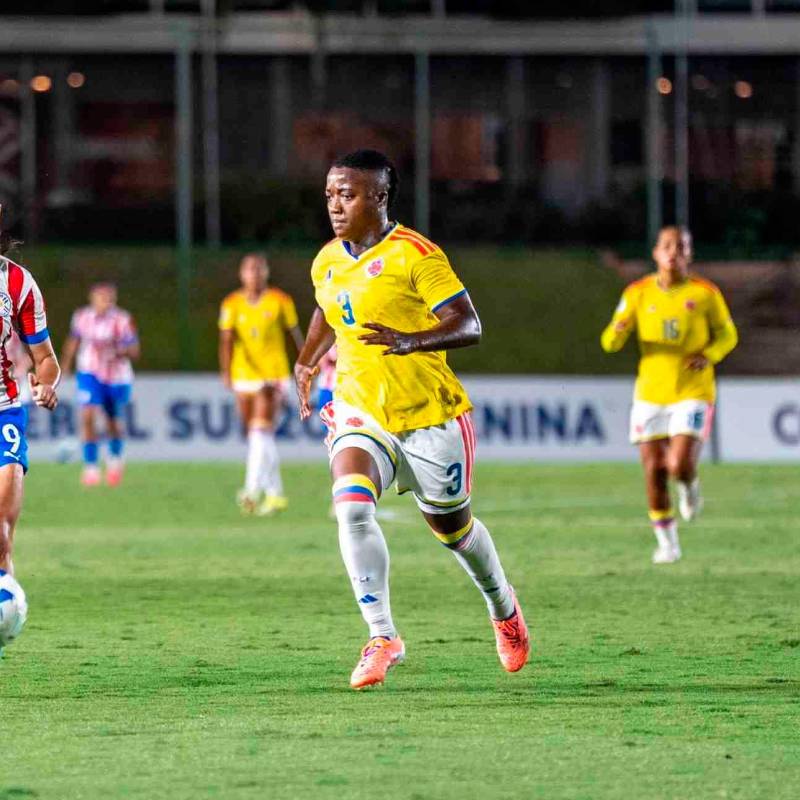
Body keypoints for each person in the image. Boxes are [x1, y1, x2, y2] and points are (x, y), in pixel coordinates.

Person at [294, 149, 529, 690]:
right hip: (359, 407)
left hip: (429, 415)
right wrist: (307, 360)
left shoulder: (416, 254)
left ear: (378, 196)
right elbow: (330, 309)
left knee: (453, 530)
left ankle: (503, 606)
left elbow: (468, 323)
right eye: (330, 194)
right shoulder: (327, 258)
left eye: (346, 195)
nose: (334, 205)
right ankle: (382, 636)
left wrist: (410, 341)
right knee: (350, 508)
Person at [601, 225, 738, 564]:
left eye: (681, 246)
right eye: (667, 246)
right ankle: (667, 543)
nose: (673, 252)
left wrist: (709, 355)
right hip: (650, 393)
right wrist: (618, 330)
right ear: (655, 253)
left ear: (689, 253)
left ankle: (689, 485)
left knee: (678, 464)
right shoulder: (637, 293)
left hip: (693, 389)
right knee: (653, 470)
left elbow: (728, 335)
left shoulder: (706, 294)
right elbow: (609, 342)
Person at [0, 214, 60, 652]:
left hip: (5, 411)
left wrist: (45, 382)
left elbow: (45, 356)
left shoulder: (18, 283)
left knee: (1, 531)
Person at [219, 253, 304, 516]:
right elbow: (226, 340)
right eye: (249, 270)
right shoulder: (231, 303)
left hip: (273, 375)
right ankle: (275, 494)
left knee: (259, 431)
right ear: (241, 274)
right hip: (243, 375)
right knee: (258, 436)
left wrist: (305, 365)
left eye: (259, 269)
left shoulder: (280, 300)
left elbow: (295, 335)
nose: (254, 274)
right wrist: (226, 372)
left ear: (266, 272)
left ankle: (251, 489)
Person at [60, 283, 139, 487]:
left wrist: (118, 352)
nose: (105, 302)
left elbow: (134, 351)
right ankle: (91, 467)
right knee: (87, 415)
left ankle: (114, 460)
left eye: (108, 298)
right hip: (90, 373)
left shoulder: (122, 320)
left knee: (112, 420)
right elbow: (73, 341)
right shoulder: (81, 317)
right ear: (92, 299)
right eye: (100, 298)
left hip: (116, 376)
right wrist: (65, 365)